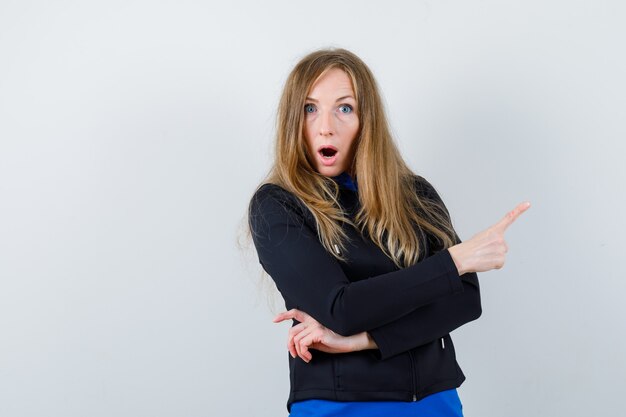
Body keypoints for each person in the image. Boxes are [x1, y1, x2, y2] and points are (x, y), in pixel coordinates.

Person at [247, 48, 530, 417]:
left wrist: (363, 341)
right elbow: (341, 309)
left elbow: (464, 300)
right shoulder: (278, 205)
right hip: (340, 406)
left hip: (433, 401)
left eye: (344, 108)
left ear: (367, 119)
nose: (325, 126)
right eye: (309, 108)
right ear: (292, 120)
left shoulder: (415, 194)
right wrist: (455, 260)